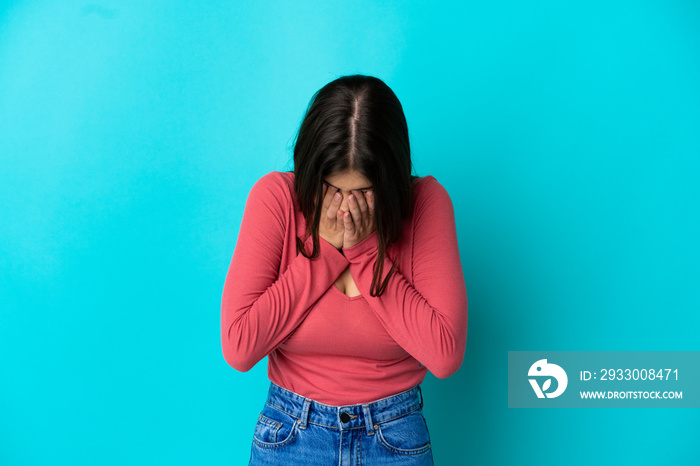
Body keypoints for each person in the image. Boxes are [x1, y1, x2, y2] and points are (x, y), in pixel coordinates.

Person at [221, 74, 468, 465]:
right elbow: (239, 347)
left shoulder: (425, 204)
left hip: (394, 437)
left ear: (389, 180)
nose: (344, 208)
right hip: (290, 435)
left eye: (364, 193)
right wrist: (325, 254)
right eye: (332, 189)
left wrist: (366, 251)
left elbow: (444, 355)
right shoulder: (275, 199)